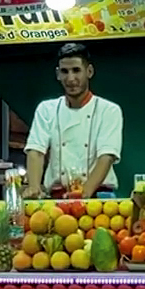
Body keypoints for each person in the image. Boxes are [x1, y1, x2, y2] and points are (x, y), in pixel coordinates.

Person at [24, 42, 123, 197]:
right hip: (57, 196)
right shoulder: (46, 109)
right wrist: (34, 188)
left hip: (98, 198)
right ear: (57, 74)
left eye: (76, 70)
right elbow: (35, 151)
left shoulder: (109, 110)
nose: (70, 79)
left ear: (89, 71)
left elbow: (107, 156)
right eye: (65, 71)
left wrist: (83, 194)